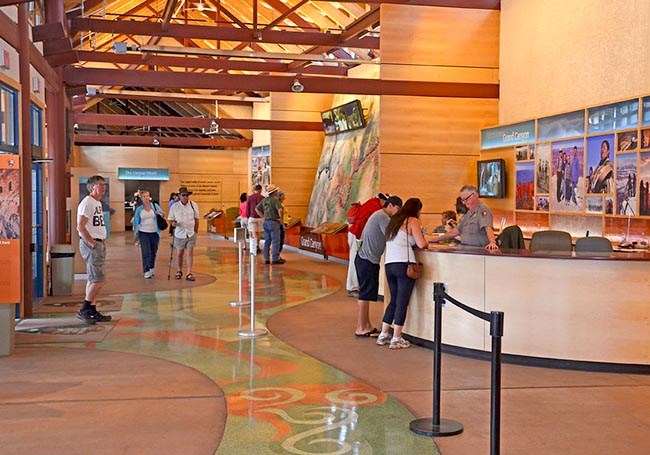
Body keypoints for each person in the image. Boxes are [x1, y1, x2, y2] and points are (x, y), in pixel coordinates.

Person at [376, 198, 428, 349]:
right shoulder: (412, 221)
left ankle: (384, 334)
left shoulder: (394, 221)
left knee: (393, 300)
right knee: (402, 302)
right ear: (417, 210)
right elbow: (421, 243)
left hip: (389, 265)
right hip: (404, 265)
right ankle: (397, 337)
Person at [354, 195, 402, 337]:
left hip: (366, 259)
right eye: (398, 209)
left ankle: (366, 325)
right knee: (365, 294)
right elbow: (392, 235)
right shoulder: (382, 217)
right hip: (367, 260)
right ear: (391, 205)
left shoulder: (379, 215)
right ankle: (361, 327)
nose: (398, 213)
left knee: (366, 293)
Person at [76, 175, 112, 324]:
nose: (103, 188)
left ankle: (92, 309)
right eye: (100, 185)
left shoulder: (96, 203)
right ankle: (84, 309)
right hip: (93, 244)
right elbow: (80, 226)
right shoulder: (87, 203)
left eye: (104, 185)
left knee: (93, 279)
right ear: (92, 187)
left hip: (99, 243)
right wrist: (92, 243)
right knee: (98, 279)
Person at [430, 185, 498, 251]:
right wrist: (437, 239)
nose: (464, 202)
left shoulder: (483, 210)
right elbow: (454, 232)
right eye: (463, 200)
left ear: (474, 196)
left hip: (478, 251)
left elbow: (488, 228)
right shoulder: (468, 213)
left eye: (466, 199)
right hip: (465, 250)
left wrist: (492, 242)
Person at [346, 193, 389, 298]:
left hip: (356, 234)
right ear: (383, 200)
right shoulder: (376, 207)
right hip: (358, 235)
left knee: (355, 258)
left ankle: (355, 286)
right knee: (355, 259)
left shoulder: (372, 203)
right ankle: (353, 287)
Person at [168, 186, 200, 281]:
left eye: (187, 195)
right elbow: (170, 219)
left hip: (190, 233)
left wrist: (196, 231)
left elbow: (196, 219)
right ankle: (179, 270)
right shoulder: (175, 206)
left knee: (190, 253)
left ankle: (189, 273)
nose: (185, 197)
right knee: (179, 253)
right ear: (179, 196)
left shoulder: (194, 205)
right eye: (183, 195)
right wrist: (173, 223)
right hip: (179, 233)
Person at [133, 189, 165, 279]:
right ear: (141, 198)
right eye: (144, 196)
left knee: (153, 251)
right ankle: (146, 270)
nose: (146, 198)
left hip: (154, 233)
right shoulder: (139, 209)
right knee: (145, 252)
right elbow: (136, 222)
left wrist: (160, 214)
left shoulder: (155, 206)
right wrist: (136, 235)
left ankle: (151, 267)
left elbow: (163, 214)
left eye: (148, 196)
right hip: (143, 232)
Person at [255, 184, 285, 265]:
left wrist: (263, 217)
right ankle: (275, 258)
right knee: (275, 241)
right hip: (274, 222)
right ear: (274, 192)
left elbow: (257, 209)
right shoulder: (275, 201)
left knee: (267, 241)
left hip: (266, 222)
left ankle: (266, 258)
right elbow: (280, 210)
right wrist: (281, 219)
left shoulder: (264, 200)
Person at [246, 184, 264, 253]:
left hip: (252, 217)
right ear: (260, 190)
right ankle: (257, 245)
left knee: (253, 232)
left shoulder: (250, 197)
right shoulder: (263, 198)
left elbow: (248, 208)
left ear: (254, 190)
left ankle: (253, 247)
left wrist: (248, 217)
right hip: (260, 217)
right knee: (258, 233)